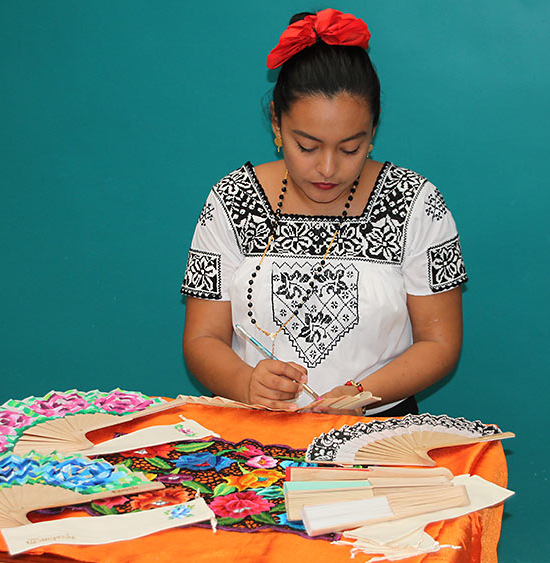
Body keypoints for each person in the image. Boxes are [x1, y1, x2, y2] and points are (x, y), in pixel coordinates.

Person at [181, 9, 467, 416]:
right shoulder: (231, 200)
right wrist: (245, 382)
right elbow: (202, 338)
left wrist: (361, 393)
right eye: (308, 147)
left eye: (350, 148)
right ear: (277, 124)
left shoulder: (416, 202)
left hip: (376, 432)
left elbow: (439, 343)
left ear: (373, 131)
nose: (328, 169)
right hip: (253, 433)